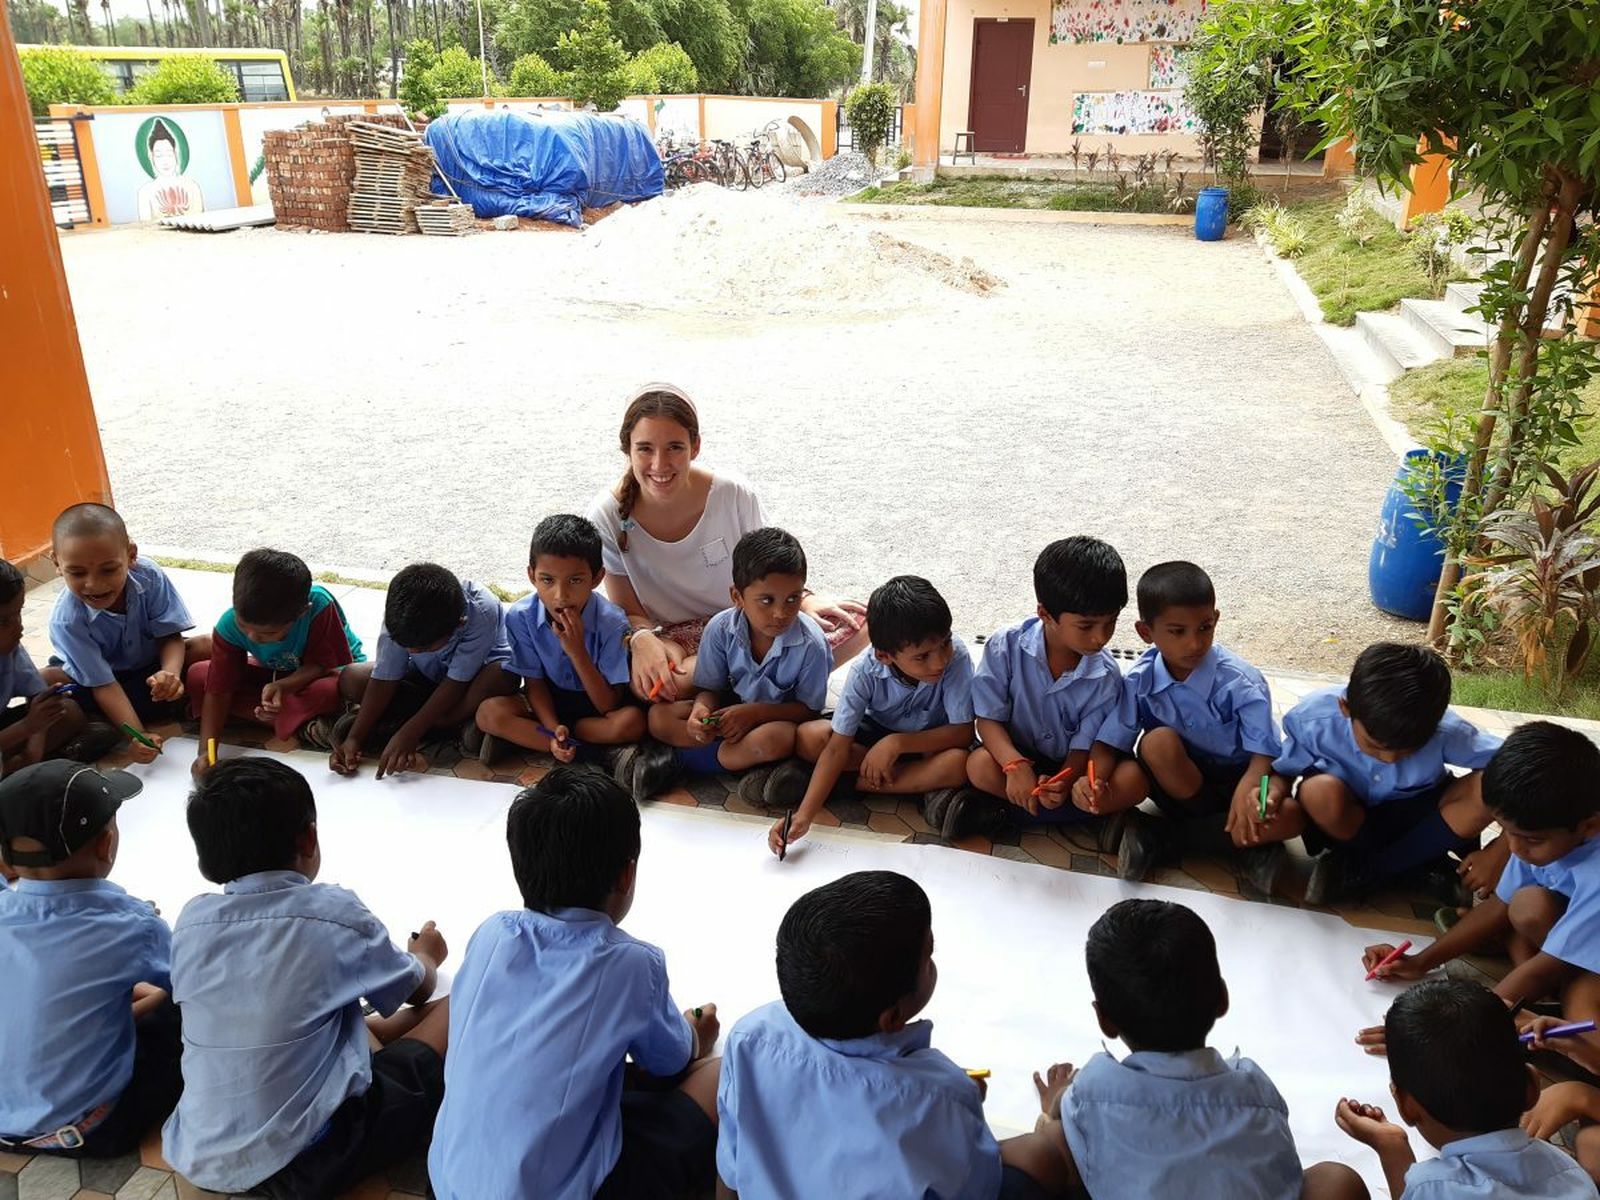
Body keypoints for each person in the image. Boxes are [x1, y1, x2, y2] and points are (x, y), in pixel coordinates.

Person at [162, 757, 449, 1198]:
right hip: (304, 1160)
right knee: (461, 1002)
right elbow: (418, 990)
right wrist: (426, 955)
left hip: (198, 1151)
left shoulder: (191, 922)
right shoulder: (334, 914)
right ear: (309, 837)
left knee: (333, 1013)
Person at [428, 766, 720, 1199]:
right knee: (719, 1075)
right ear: (626, 874)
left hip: (445, 1183)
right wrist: (695, 1033)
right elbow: (669, 1062)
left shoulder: (492, 933)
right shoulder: (631, 964)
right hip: (561, 1191)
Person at [716, 870, 1076, 1199]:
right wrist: (959, 1106)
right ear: (891, 1017)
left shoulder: (750, 1037)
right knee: (1043, 1152)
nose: (933, 963)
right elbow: (976, 1185)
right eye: (928, 956)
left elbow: (731, 1166)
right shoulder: (941, 1094)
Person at [1045, 898, 1362, 1200]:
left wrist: (1051, 1108)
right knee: (1336, 1179)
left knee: (1052, 1142)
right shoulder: (1256, 1090)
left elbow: (1066, 1111)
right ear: (1222, 998)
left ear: (1104, 1020)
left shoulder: (1091, 1091)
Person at [586, 385, 867, 705]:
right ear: (628, 449)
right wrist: (641, 638)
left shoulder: (733, 494)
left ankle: (732, 687)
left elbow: (770, 564)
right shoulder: (606, 514)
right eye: (645, 449)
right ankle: (762, 686)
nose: (660, 464)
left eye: (675, 447)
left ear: (696, 446)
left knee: (864, 620)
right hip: (675, 639)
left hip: (750, 622)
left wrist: (804, 600)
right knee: (655, 687)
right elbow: (629, 609)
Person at [1358, 722, 1600, 1068]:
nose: (1513, 848)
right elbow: (1499, 905)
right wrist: (1421, 962)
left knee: (1582, 1022)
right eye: (1505, 832)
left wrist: (1452, 1027)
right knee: (1525, 905)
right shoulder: (1547, 829)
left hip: (1584, 949)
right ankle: (1535, 1000)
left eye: (1530, 840)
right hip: (1572, 932)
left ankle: (1545, 1008)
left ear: (1589, 826)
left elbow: (1545, 967)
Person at [0, 760, 179, 1158]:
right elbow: (191, 983)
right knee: (180, 1015)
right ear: (107, 843)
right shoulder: (132, 925)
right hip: (89, 1132)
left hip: (4, 1124)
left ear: (7, 861)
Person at [1093, 561, 1285, 890]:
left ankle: (1160, 836)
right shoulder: (1140, 680)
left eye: (1205, 627)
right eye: (1177, 632)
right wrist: (1093, 780)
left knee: (1285, 805)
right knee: (1156, 744)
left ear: (1216, 619)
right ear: (1145, 633)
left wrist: (1249, 790)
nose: (1195, 643)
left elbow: (1264, 757)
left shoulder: (1242, 682)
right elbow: (1111, 741)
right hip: (1179, 788)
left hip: (1241, 780)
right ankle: (1241, 843)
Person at [1265, 642, 1501, 905]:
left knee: (1487, 786)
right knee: (1318, 791)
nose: (1389, 759)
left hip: (1416, 819)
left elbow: (1520, 768)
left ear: (1434, 725)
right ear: (1346, 708)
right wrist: (1271, 793)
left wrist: (1502, 849)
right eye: (1373, 745)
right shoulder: (1314, 719)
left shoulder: (1445, 731)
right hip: (1348, 821)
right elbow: (1282, 771)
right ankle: (1414, 868)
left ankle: (1369, 872)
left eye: (1408, 750)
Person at [1333, 979, 1597, 1199]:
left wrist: (1390, 1146)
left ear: (1406, 1106)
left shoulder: (1432, 1187)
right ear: (1531, 1086)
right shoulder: (1567, 1169)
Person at [770, 576, 973, 855]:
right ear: (885, 656)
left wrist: (897, 744)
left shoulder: (957, 658)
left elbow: (962, 733)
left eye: (945, 643)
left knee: (960, 764)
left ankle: (847, 784)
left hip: (930, 744)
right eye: (922, 656)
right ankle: (918, 789)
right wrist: (804, 816)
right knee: (809, 738)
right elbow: (837, 747)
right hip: (873, 734)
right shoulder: (866, 670)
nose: (940, 660)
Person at [630, 527, 830, 809]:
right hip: (730, 714)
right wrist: (701, 710)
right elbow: (710, 687)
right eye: (766, 600)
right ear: (737, 596)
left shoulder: (812, 645)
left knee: (777, 739)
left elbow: (808, 710)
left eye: (793, 599)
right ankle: (748, 765)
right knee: (659, 718)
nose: (780, 613)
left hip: (774, 721)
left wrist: (754, 714)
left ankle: (684, 761)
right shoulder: (721, 628)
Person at [958, 536, 1128, 848]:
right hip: (1017, 756)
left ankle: (1010, 813)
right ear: (1045, 614)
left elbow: (1084, 748)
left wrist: (1064, 781)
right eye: (1086, 626)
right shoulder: (1005, 646)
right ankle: (1089, 821)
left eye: (1111, 623)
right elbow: (987, 720)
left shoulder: (1106, 675)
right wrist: (1015, 766)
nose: (1101, 638)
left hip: (1071, 766)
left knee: (1133, 779)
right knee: (978, 766)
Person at [475, 514, 645, 766]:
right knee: (488, 713)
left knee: (631, 723)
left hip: (594, 710)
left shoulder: (612, 622)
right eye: (547, 580)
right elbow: (534, 684)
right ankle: (562, 745)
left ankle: (537, 741)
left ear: (597, 578)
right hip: (548, 700)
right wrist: (553, 727)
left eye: (575, 580)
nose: (561, 595)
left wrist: (577, 652)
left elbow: (608, 703)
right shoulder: (522, 617)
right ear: (532, 576)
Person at [47, 503, 206, 761]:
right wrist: (138, 736)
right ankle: (123, 720)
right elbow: (103, 684)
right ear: (56, 562)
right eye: (77, 572)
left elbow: (169, 635)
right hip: (102, 688)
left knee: (206, 646)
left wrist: (170, 674)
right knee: (50, 683)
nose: (94, 584)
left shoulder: (149, 576)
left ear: (131, 555)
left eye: (108, 569)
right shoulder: (67, 621)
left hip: (150, 676)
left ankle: (117, 720)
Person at [328, 562, 517, 779]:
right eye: (407, 646)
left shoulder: (482, 611)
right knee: (352, 678)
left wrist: (410, 732)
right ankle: (453, 729)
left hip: (470, 687)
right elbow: (384, 677)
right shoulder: (401, 613)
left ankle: (425, 725)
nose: (412, 650)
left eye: (424, 648)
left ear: (459, 623)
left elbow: (457, 682)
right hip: (425, 681)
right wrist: (354, 738)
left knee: (502, 674)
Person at [187, 549, 365, 774]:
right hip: (273, 674)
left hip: (324, 672)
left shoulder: (319, 606)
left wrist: (284, 686)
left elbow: (323, 664)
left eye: (267, 634)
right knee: (198, 676)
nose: (252, 637)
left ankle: (279, 719)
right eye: (244, 627)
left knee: (328, 691)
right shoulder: (228, 623)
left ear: (302, 613)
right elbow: (219, 687)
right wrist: (205, 752)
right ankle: (303, 725)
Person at [0, 558, 98, 771]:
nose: (19, 628)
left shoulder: (9, 649)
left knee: (67, 711)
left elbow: (37, 695)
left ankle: (19, 766)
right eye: (3, 622)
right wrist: (27, 727)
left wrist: (33, 749)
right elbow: (30, 724)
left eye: (19, 613)